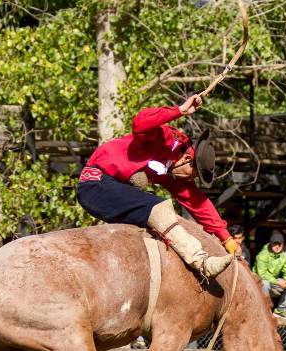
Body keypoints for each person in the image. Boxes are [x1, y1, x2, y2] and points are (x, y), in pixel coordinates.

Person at [76, 94, 235, 279]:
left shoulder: (173, 172)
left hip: (116, 190)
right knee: (159, 207)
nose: (189, 180)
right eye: (192, 176)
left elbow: (198, 202)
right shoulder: (165, 139)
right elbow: (140, 122)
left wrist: (226, 238)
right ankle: (201, 262)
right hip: (95, 184)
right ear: (188, 159)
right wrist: (180, 110)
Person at [253, 231, 286, 322]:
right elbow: (262, 274)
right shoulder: (262, 255)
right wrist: (278, 282)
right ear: (271, 244)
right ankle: (266, 309)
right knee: (265, 283)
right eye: (275, 244)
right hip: (258, 283)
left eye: (280, 244)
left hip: (273, 283)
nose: (277, 246)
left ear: (283, 245)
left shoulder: (284, 256)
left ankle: (280, 309)